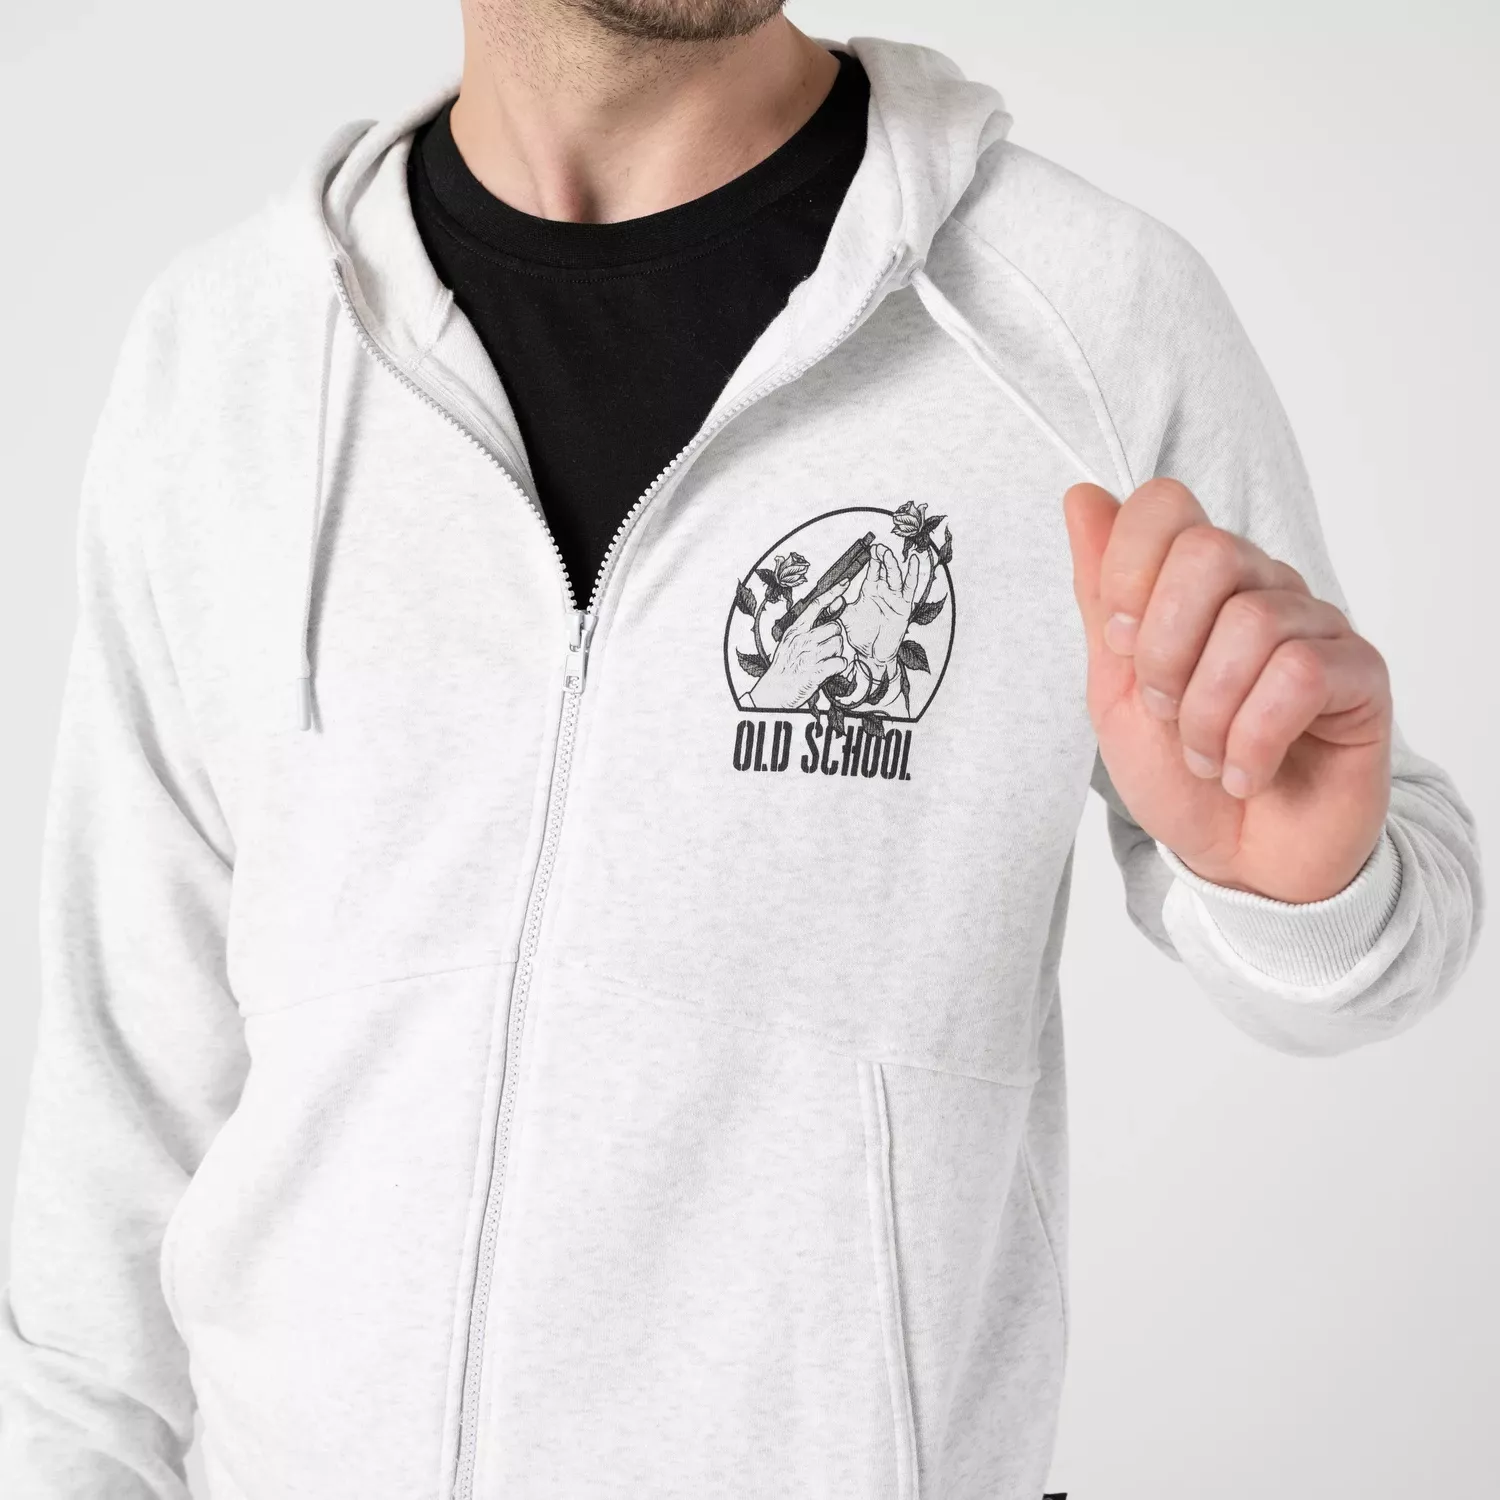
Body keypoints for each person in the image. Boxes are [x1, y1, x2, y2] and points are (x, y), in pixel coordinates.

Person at [0, 1, 1482, 1497]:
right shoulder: (229, 356)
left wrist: (1302, 880)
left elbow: (1391, 933)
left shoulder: (1083, 316)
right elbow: (118, 1116)